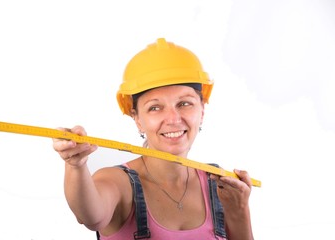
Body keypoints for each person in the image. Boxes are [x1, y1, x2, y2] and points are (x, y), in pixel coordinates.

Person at [53, 38, 254, 240]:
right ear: (137, 119)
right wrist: (76, 165)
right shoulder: (118, 182)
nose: (174, 119)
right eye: (155, 108)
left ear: (202, 110)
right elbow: (91, 217)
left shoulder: (222, 188)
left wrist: (239, 212)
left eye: (184, 103)